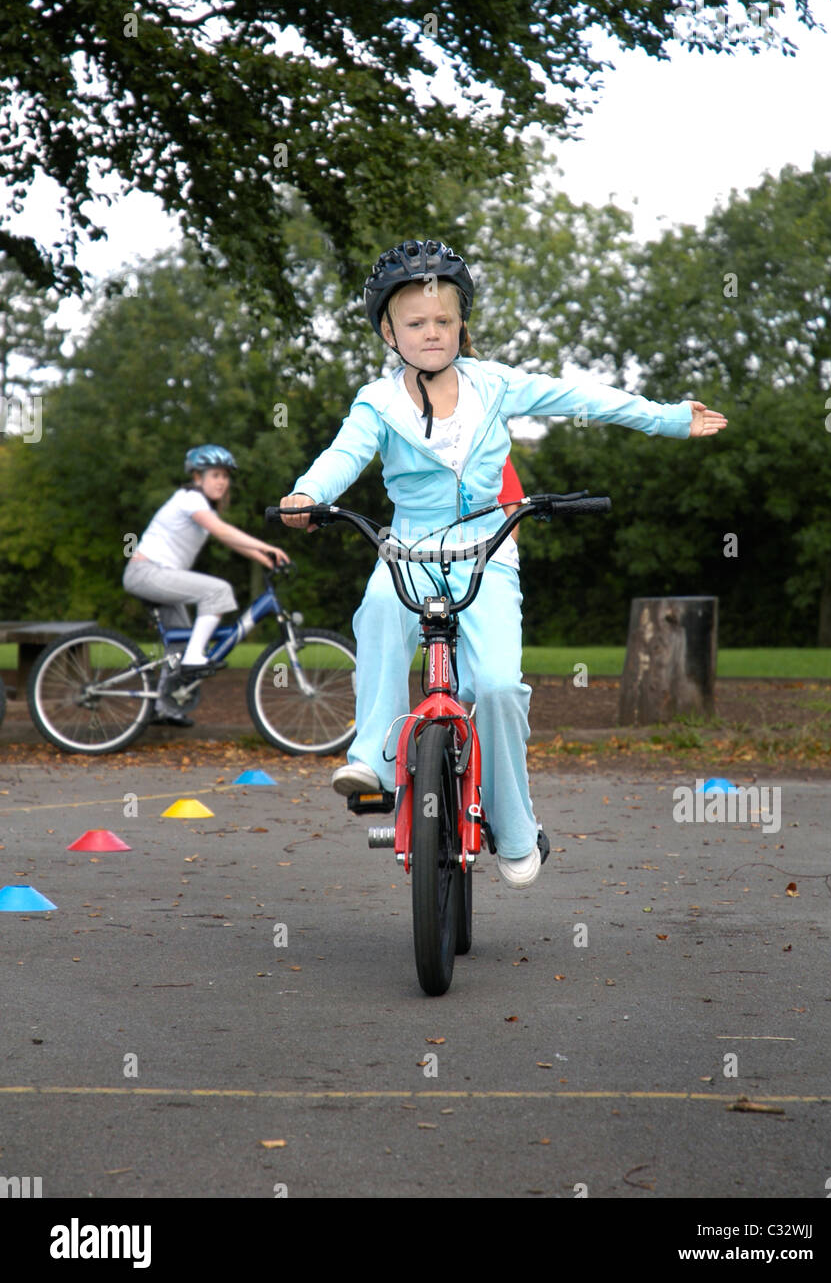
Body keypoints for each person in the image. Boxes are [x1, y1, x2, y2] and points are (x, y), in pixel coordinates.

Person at [279, 240, 726, 887]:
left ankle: (515, 829)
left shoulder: (497, 385)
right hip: (409, 548)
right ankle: (374, 757)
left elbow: (583, 397)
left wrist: (664, 419)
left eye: (443, 320)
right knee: (377, 609)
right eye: (414, 322)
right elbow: (342, 455)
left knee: (494, 686)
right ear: (387, 330)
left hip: (487, 552)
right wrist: (308, 494)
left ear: (462, 324)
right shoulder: (376, 402)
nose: (430, 332)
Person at [123, 444, 288, 725]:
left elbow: (227, 537)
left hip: (158, 575)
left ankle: (165, 707)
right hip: (147, 572)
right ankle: (195, 658)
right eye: (215, 475)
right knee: (218, 590)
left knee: (178, 643)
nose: (222, 481)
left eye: (225, 476)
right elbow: (222, 532)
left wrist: (265, 559)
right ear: (197, 478)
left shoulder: (197, 504)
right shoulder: (189, 498)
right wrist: (268, 547)